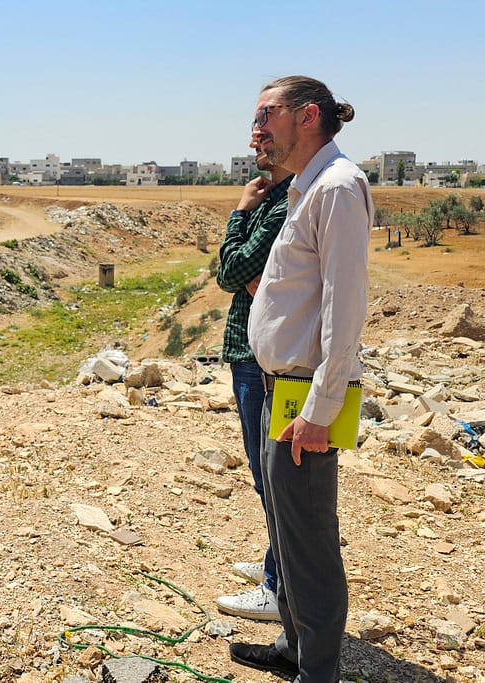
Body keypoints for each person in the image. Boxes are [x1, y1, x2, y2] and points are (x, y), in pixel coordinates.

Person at [229, 76, 372, 683]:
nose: (255, 129)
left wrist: (320, 409)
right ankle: (294, 647)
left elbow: (346, 308)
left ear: (307, 116)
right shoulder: (304, 191)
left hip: (303, 396)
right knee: (286, 532)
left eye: (266, 115)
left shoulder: (338, 188)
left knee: (309, 541)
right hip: (276, 386)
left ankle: (318, 670)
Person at [214, 140, 293, 622]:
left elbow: (229, 270)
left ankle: (277, 587)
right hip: (254, 351)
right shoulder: (279, 199)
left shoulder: (279, 204)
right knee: (267, 476)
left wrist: (241, 212)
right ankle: (274, 565)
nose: (254, 141)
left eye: (264, 126)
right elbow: (240, 274)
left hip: (258, 356)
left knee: (272, 479)